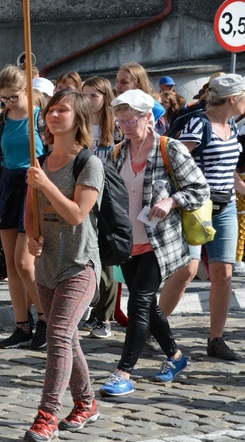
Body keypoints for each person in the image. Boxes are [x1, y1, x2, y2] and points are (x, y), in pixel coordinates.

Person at [99, 90, 209, 397]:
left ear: (150, 118)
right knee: (145, 302)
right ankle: (175, 357)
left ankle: (124, 372)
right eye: (121, 121)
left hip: (159, 243)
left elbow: (200, 188)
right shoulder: (117, 152)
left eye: (131, 119)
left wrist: (172, 200)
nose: (126, 126)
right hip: (127, 241)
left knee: (137, 304)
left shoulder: (169, 149)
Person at [23, 89, 103, 442]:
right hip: (47, 264)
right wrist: (31, 237)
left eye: (63, 110)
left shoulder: (88, 163)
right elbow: (30, 213)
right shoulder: (39, 161)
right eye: (51, 110)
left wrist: (45, 185)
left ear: (79, 117)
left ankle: (47, 414)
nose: (54, 115)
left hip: (79, 264)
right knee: (67, 337)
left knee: (56, 335)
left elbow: (76, 214)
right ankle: (86, 401)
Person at [160, 74, 245, 360]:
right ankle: (152, 327)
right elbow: (175, 161)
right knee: (186, 270)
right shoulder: (199, 124)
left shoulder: (231, 125)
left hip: (226, 207)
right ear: (233, 99)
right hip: (197, 208)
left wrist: (242, 187)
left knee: (224, 273)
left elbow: (228, 168)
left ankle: (216, 339)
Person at [0, 65, 47, 350]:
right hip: (8, 186)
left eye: (13, 97)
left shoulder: (40, 117)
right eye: (4, 98)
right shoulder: (0, 122)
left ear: (26, 91)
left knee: (25, 262)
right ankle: (22, 325)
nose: (8, 103)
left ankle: (47, 319)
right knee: (10, 264)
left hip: (33, 185)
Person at [80, 76, 120, 339]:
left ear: (105, 97)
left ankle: (104, 317)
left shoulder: (115, 127)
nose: (88, 100)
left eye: (94, 95)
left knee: (107, 259)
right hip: (83, 192)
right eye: (84, 94)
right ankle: (91, 308)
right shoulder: (79, 123)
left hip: (109, 197)